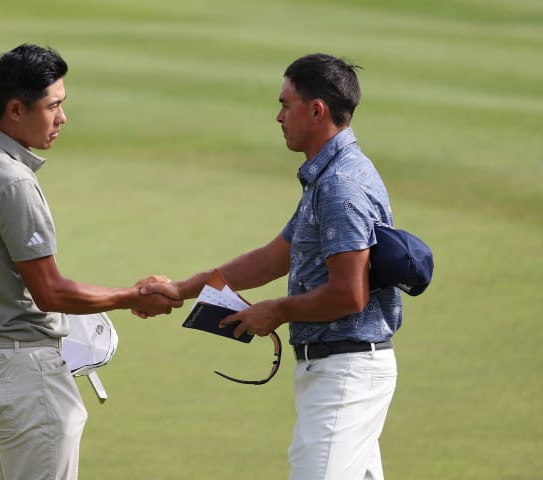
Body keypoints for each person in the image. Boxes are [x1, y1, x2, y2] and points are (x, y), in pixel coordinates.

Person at [140, 53, 401, 479]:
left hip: (346, 374)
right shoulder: (328, 177)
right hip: (339, 369)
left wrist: (276, 311)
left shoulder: (340, 185)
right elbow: (272, 258)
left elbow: (349, 294)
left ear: (316, 111)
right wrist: (182, 289)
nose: (279, 116)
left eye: (285, 104)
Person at [0, 43, 181, 480]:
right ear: (16, 109)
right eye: (54, 106)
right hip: (28, 385)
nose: (62, 117)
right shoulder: (14, 183)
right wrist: (131, 296)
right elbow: (50, 292)